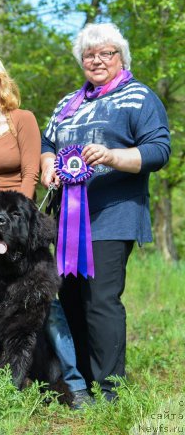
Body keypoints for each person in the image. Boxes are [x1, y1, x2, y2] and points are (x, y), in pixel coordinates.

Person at [0, 54, 92, 408]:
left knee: (44, 306)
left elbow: (30, 174)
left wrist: (18, 224)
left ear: (1, 82)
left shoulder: (22, 120)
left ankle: (74, 386)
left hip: (17, 219)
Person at [40, 23, 170, 402]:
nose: (97, 60)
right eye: (89, 55)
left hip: (113, 215)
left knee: (100, 301)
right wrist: (48, 164)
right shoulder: (68, 102)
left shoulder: (139, 97)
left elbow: (158, 150)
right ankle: (79, 383)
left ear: (121, 57)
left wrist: (113, 157)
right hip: (67, 222)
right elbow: (49, 142)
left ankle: (112, 389)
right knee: (72, 300)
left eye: (106, 53)